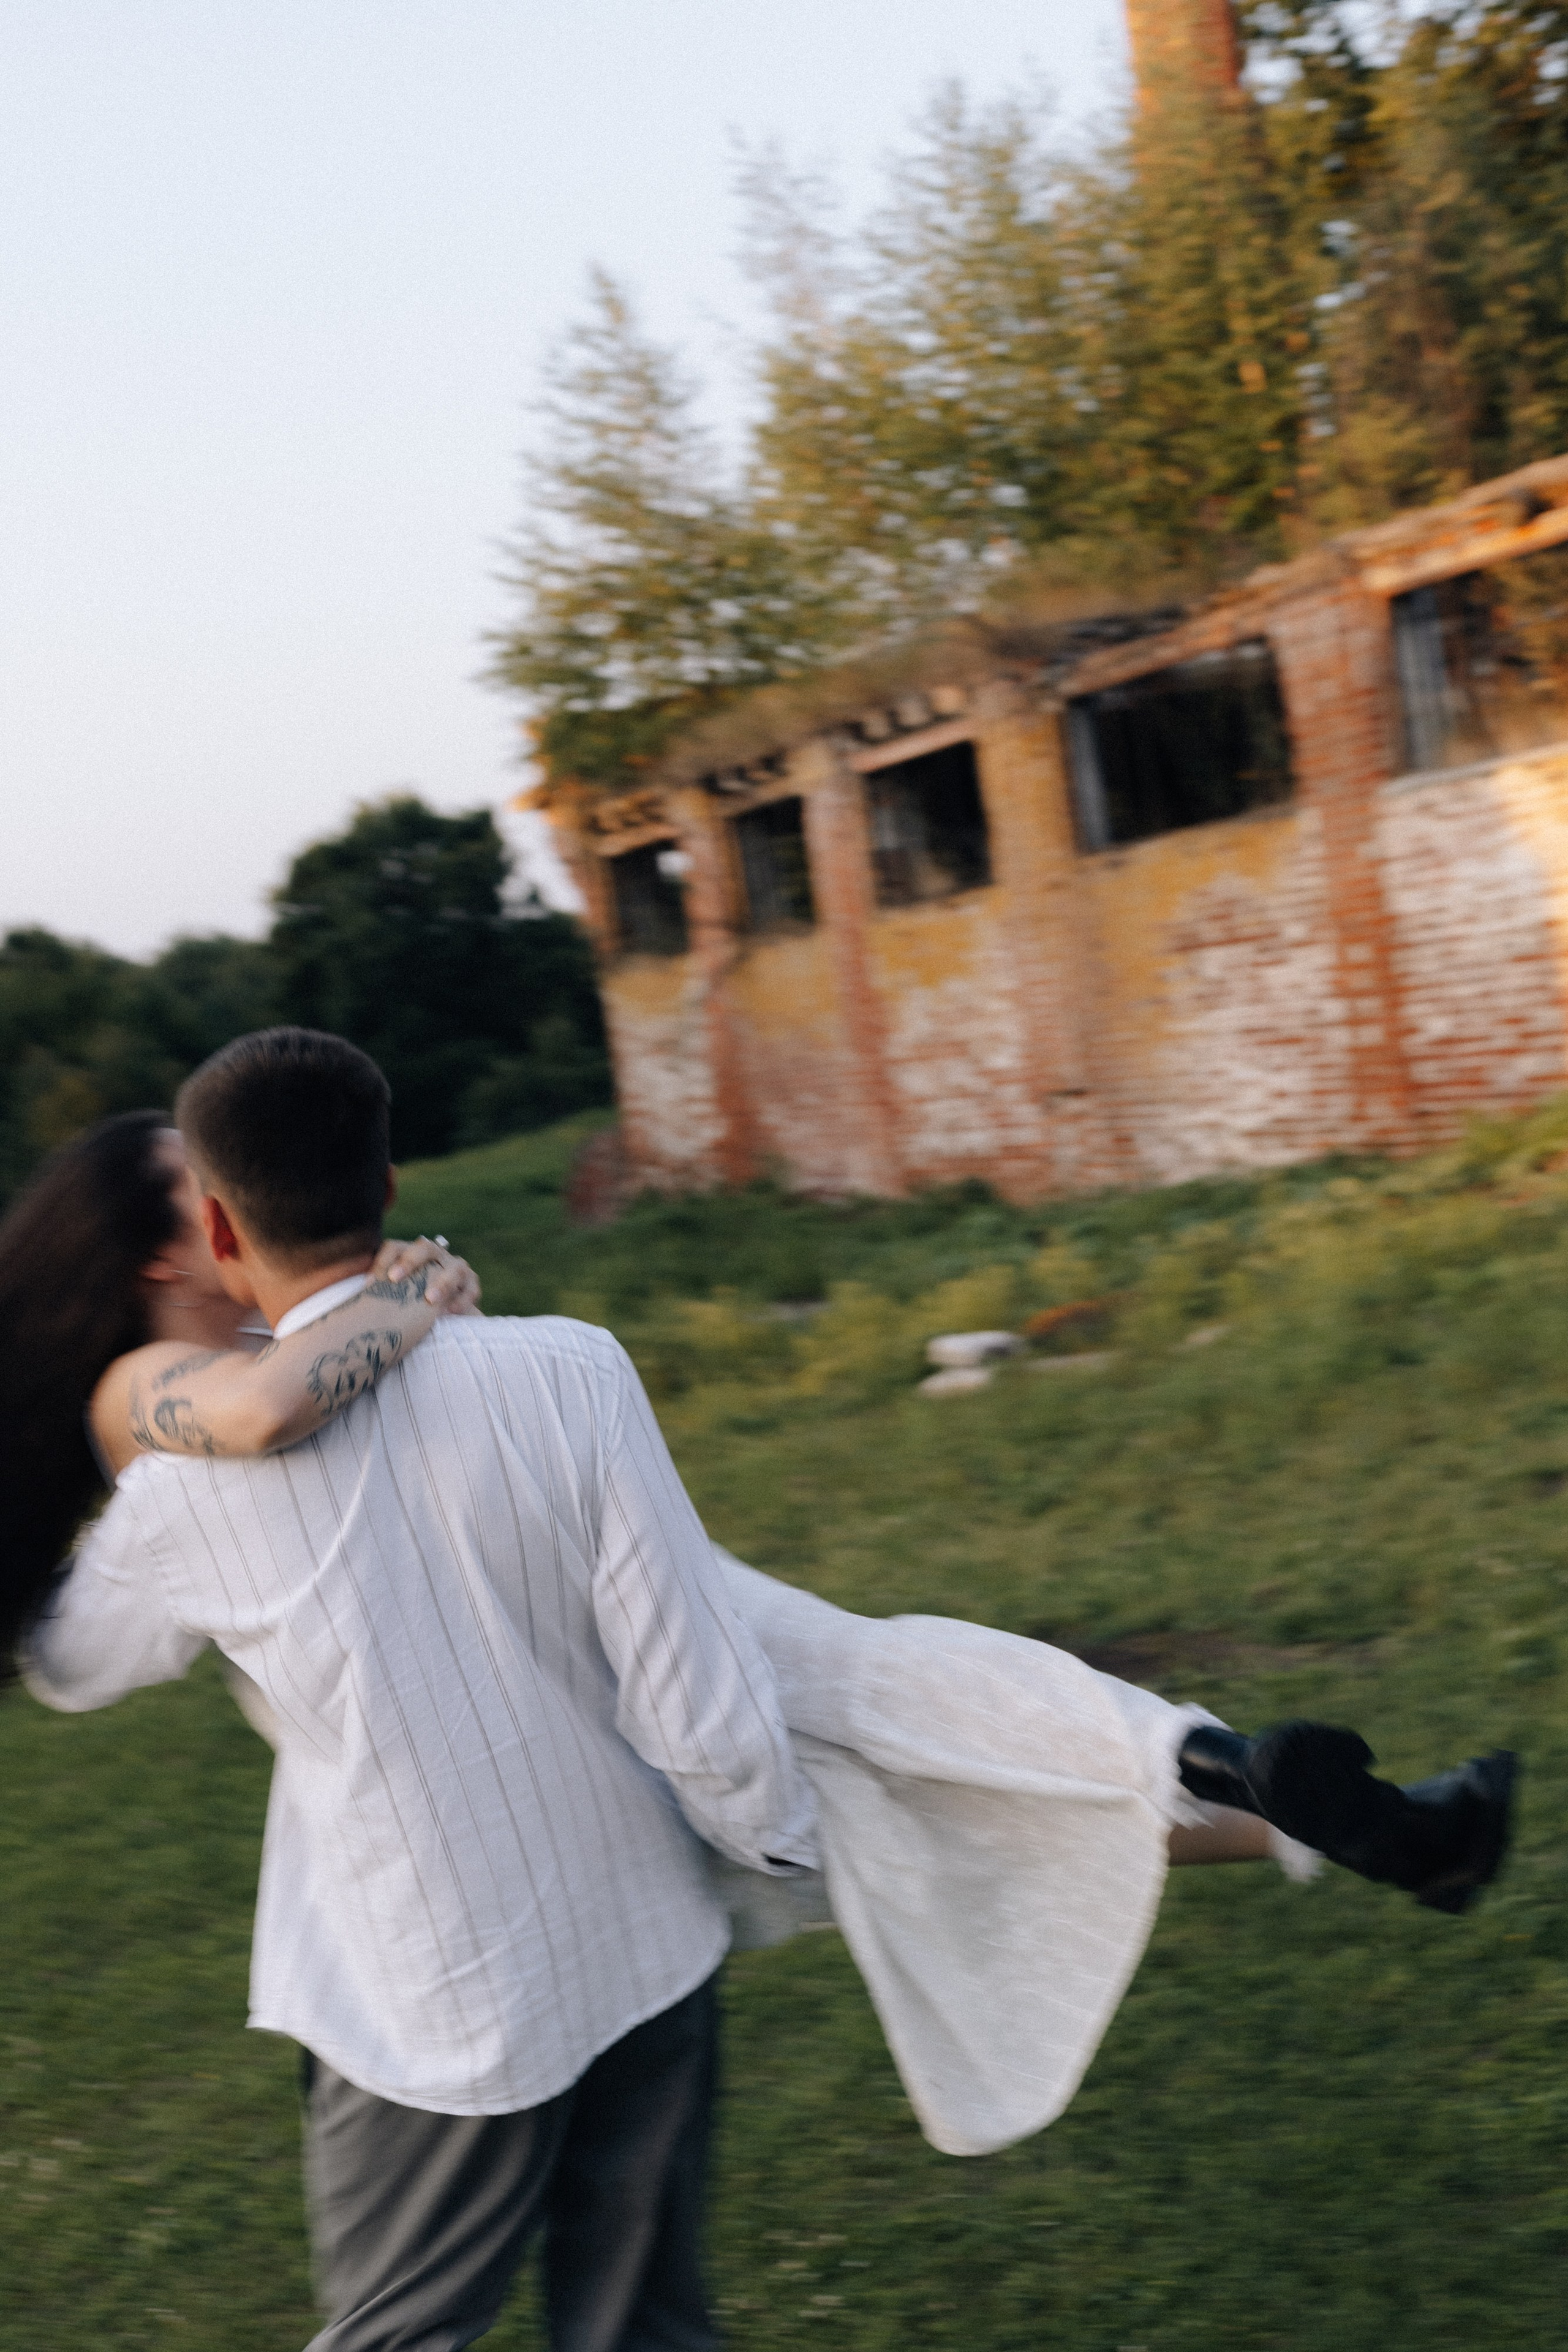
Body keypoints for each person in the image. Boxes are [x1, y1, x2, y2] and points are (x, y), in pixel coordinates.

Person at [9, 1038, 1517, 2284]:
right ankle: (1243, 1782)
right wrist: (406, 1295)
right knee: (888, 1714)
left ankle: (1270, 1797)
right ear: (181, 1243)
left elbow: (123, 1607)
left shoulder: (226, 1433)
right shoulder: (173, 1401)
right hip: (610, 1793)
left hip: (503, 1876)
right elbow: (268, 1410)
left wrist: (389, 1310)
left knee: (886, 1739)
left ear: (226, 1227)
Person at [13, 1038, 819, 2352]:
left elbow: (71, 1665)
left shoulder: (178, 1495)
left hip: (433, 1994)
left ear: (220, 1228)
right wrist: (768, 1838)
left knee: (398, 2333)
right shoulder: (571, 1369)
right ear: (388, 1181)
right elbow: (692, 1683)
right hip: (641, 1928)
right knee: (649, 2327)